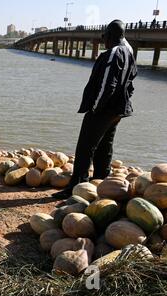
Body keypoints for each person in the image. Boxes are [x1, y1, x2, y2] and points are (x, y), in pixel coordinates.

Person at [53, 20, 137, 200]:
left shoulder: (113, 53)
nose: (103, 40)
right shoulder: (129, 52)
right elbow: (131, 80)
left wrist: (96, 107)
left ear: (110, 36)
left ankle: (77, 186)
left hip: (104, 109)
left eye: (104, 36)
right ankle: (101, 180)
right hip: (118, 110)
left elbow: (108, 84)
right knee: (105, 146)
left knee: (85, 146)